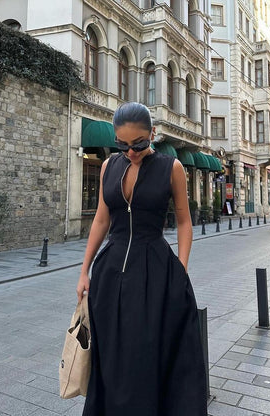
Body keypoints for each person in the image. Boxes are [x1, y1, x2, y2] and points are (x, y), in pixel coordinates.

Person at [76, 102, 207, 416]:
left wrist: (181, 269)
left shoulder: (171, 167)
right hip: (110, 272)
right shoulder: (109, 166)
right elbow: (101, 220)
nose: (131, 152)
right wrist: (84, 271)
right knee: (111, 352)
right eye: (122, 145)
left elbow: (184, 221)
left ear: (153, 134)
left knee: (146, 349)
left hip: (154, 269)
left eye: (138, 144)